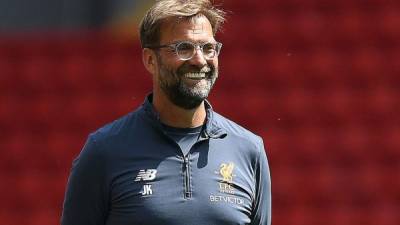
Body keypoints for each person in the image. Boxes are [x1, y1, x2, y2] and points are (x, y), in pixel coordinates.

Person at [61, 0, 271, 224]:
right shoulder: (104, 151)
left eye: (208, 48)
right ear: (150, 60)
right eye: (184, 48)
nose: (199, 60)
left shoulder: (249, 150)